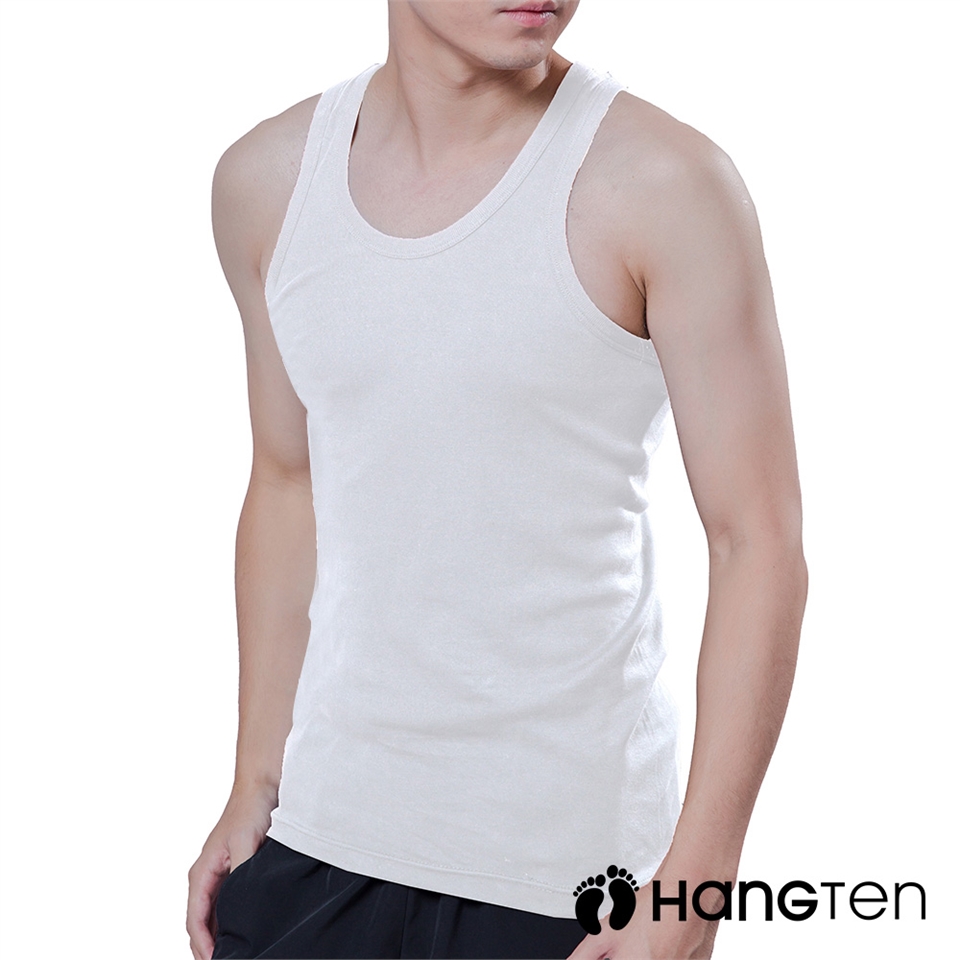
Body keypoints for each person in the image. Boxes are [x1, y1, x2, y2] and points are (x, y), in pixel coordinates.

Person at [186, 1, 808, 957]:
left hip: (562, 879)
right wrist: (251, 783)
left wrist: (694, 892)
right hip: (318, 842)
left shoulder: (664, 183)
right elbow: (285, 478)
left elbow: (756, 540)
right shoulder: (264, 182)